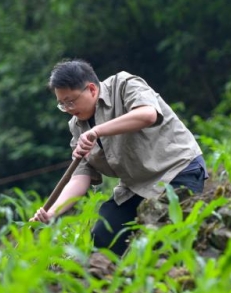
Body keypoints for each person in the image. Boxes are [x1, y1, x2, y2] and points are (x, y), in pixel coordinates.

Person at [31, 59, 207, 255]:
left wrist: (97, 131)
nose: (68, 109)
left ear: (91, 89)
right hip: (136, 186)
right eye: (62, 104)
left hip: (178, 171)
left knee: (163, 238)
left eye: (71, 101)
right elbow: (80, 177)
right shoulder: (77, 126)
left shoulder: (124, 85)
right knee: (104, 236)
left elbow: (147, 114)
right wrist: (53, 211)